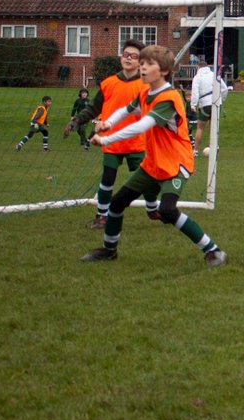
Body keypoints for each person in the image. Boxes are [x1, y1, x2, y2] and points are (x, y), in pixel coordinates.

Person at [80, 44, 228, 267]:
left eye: (149, 64)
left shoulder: (168, 97)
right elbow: (128, 110)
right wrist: (108, 122)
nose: (143, 68)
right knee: (118, 202)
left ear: (164, 71)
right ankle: (109, 251)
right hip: (154, 162)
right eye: (142, 63)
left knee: (167, 210)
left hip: (176, 162)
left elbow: (142, 125)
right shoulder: (145, 92)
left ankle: (214, 251)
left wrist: (107, 139)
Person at [63, 40, 159, 229]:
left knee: (146, 178)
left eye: (134, 56)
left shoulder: (146, 85)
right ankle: (101, 215)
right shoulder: (108, 83)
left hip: (137, 141)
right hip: (112, 140)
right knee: (107, 178)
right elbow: (93, 108)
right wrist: (76, 121)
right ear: (121, 57)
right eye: (126, 55)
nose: (128, 59)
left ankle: (152, 208)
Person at [189, 57, 228, 156]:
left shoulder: (197, 77)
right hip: (216, 103)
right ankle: (215, 147)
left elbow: (195, 92)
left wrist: (193, 104)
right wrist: (221, 100)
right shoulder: (214, 75)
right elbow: (224, 89)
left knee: (200, 127)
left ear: (198, 67)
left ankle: (196, 151)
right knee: (213, 126)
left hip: (205, 104)